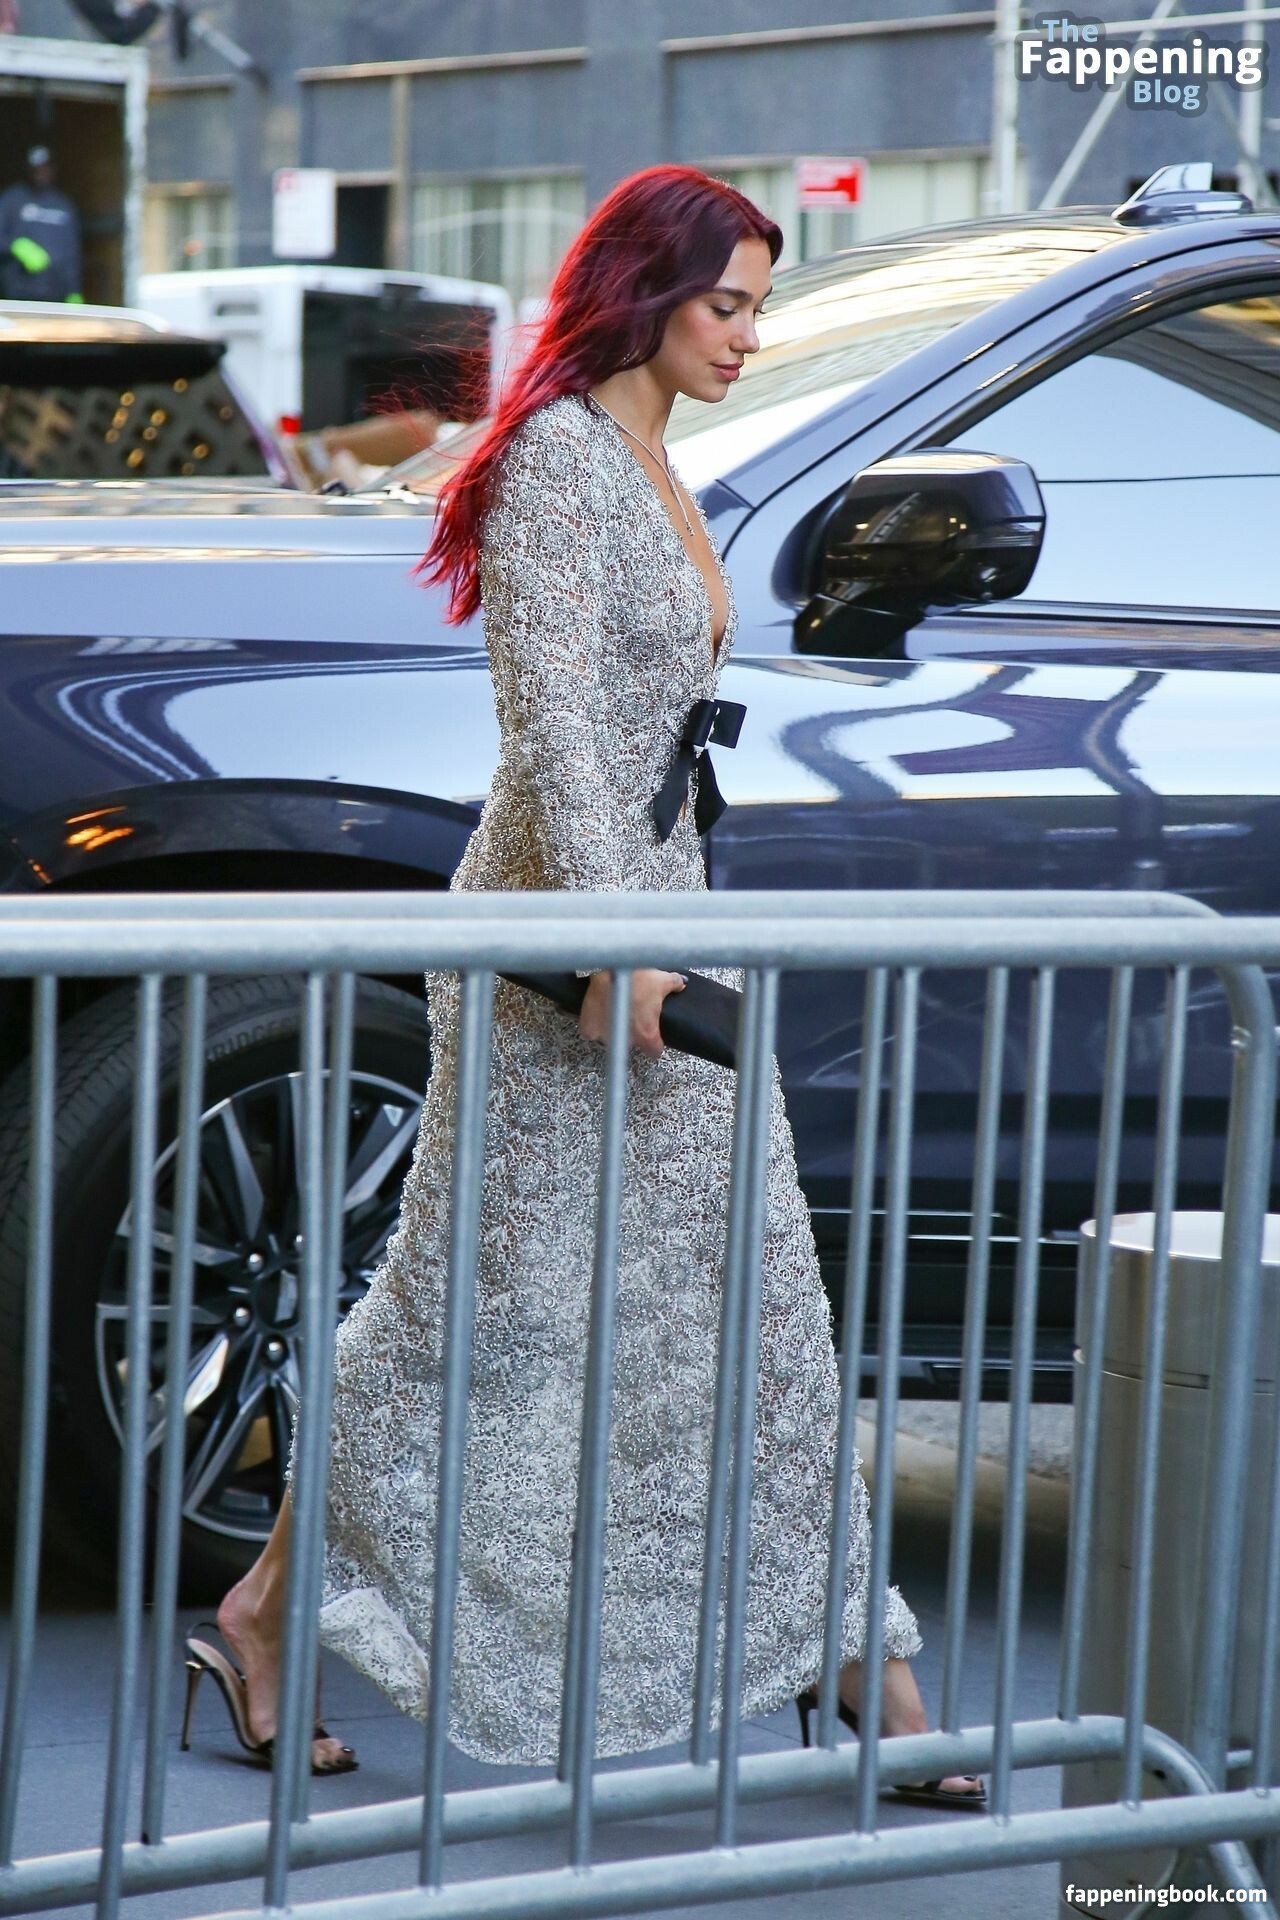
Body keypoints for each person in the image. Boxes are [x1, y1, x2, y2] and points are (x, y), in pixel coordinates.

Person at [185, 165, 984, 1803]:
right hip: (561, 953)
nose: (749, 336)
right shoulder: (557, 456)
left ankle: (858, 1654)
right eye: (727, 304)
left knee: (758, 1303)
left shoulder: (653, 455)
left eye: (760, 306)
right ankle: (261, 1611)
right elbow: (551, 727)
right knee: (474, 1322)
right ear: (646, 290)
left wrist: (654, 930)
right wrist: (619, 943)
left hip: (653, 927)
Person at [0, 147, 83, 304]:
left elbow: (71, 254)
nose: (40, 174)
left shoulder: (63, 206)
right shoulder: (11, 200)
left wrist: (74, 290)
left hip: (54, 295)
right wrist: (14, 245)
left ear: (53, 170)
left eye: (45, 168)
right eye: (36, 170)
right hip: (17, 296)